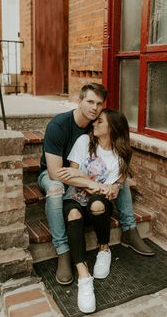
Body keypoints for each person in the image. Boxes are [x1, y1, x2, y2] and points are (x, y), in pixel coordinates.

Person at [37, 83, 154, 285]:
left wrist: (112, 186)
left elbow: (117, 165)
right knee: (56, 189)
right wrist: (97, 185)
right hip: (53, 173)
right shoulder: (59, 125)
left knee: (119, 182)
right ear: (79, 101)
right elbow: (56, 173)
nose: (95, 108)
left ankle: (129, 230)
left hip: (81, 174)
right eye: (90, 101)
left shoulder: (94, 131)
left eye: (99, 104)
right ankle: (63, 252)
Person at [60, 108, 133, 313]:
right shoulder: (84, 142)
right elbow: (69, 175)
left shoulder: (119, 157)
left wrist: (103, 187)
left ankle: (104, 249)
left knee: (98, 204)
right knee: (74, 213)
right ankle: (84, 277)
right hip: (74, 199)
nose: (94, 123)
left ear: (112, 128)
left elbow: (110, 192)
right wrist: (95, 185)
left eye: (100, 122)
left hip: (97, 207)